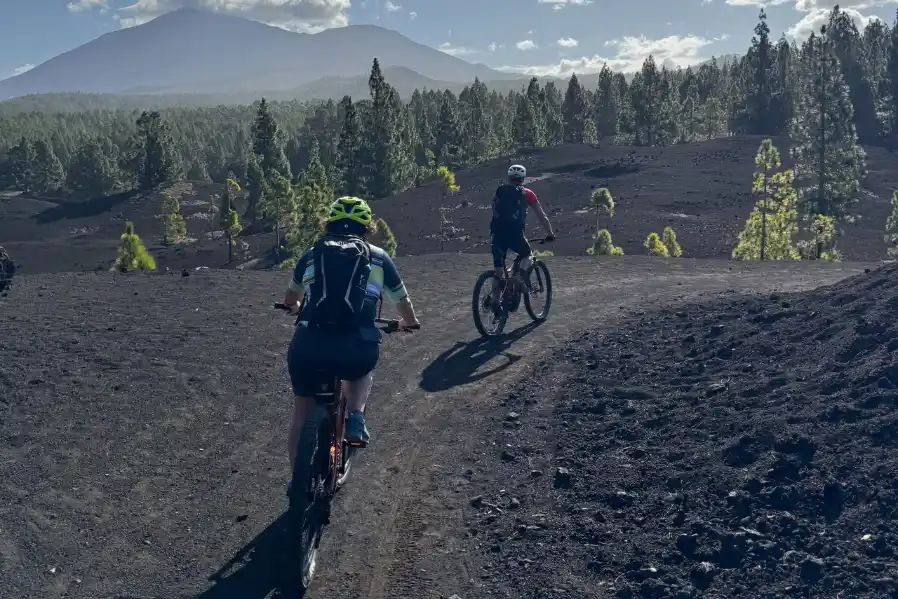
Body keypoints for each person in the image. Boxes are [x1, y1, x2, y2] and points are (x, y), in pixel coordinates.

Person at [280, 196, 420, 481]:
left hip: (308, 344)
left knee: (301, 414)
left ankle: (297, 483)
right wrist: (409, 323)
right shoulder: (378, 257)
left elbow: (291, 299)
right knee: (360, 369)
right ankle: (355, 415)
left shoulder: (311, 254)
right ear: (367, 226)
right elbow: (402, 300)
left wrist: (294, 307)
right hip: (355, 347)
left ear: (329, 223)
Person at [487, 164, 555, 313]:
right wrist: (550, 233)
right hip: (515, 234)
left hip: (497, 234)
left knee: (498, 271)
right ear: (523, 179)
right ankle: (519, 277)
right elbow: (541, 216)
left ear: (508, 177)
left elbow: (494, 210)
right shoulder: (528, 194)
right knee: (527, 254)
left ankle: (494, 300)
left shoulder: (500, 191)